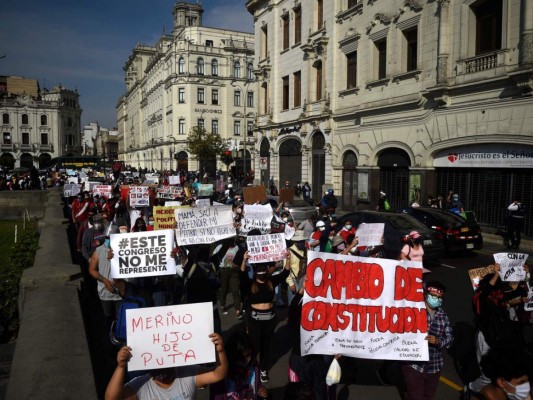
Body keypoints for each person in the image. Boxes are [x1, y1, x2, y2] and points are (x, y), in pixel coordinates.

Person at [105, 333, 228, 400]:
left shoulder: (187, 374)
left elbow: (218, 374)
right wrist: (121, 367)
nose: (161, 369)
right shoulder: (141, 386)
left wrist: (220, 352)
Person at [240, 253, 291, 383]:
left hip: (269, 319)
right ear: (255, 272)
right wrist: (244, 260)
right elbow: (241, 274)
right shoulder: (250, 284)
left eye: (264, 270)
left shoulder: (271, 282)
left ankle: (263, 369)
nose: (262, 272)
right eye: (259, 270)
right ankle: (250, 366)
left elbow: (285, 272)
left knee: (266, 345)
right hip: (254, 320)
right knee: (254, 345)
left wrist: (288, 258)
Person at [401, 280, 453, 400]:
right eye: (433, 296)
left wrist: (438, 341)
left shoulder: (443, 316)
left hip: (434, 366)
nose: (436, 299)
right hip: (414, 364)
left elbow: (450, 338)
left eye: (439, 297)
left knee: (428, 396)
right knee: (415, 396)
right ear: (426, 294)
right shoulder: (414, 310)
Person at [210, 329, 268, 399]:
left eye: (248, 355)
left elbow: (256, 384)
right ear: (232, 355)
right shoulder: (221, 373)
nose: (246, 360)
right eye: (240, 357)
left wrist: (260, 389)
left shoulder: (254, 366)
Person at [218, 237, 242, 319]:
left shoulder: (237, 247)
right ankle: (222, 305)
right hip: (223, 270)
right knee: (224, 288)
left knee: (235, 290)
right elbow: (214, 257)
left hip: (234, 271)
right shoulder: (220, 247)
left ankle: (238, 311)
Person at [286, 230, 308, 306]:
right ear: (295, 241)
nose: (301, 243)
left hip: (303, 278)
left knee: (302, 302)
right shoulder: (289, 252)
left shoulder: (305, 250)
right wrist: (290, 283)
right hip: (293, 279)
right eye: (299, 241)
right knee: (292, 303)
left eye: (302, 241)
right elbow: (286, 269)